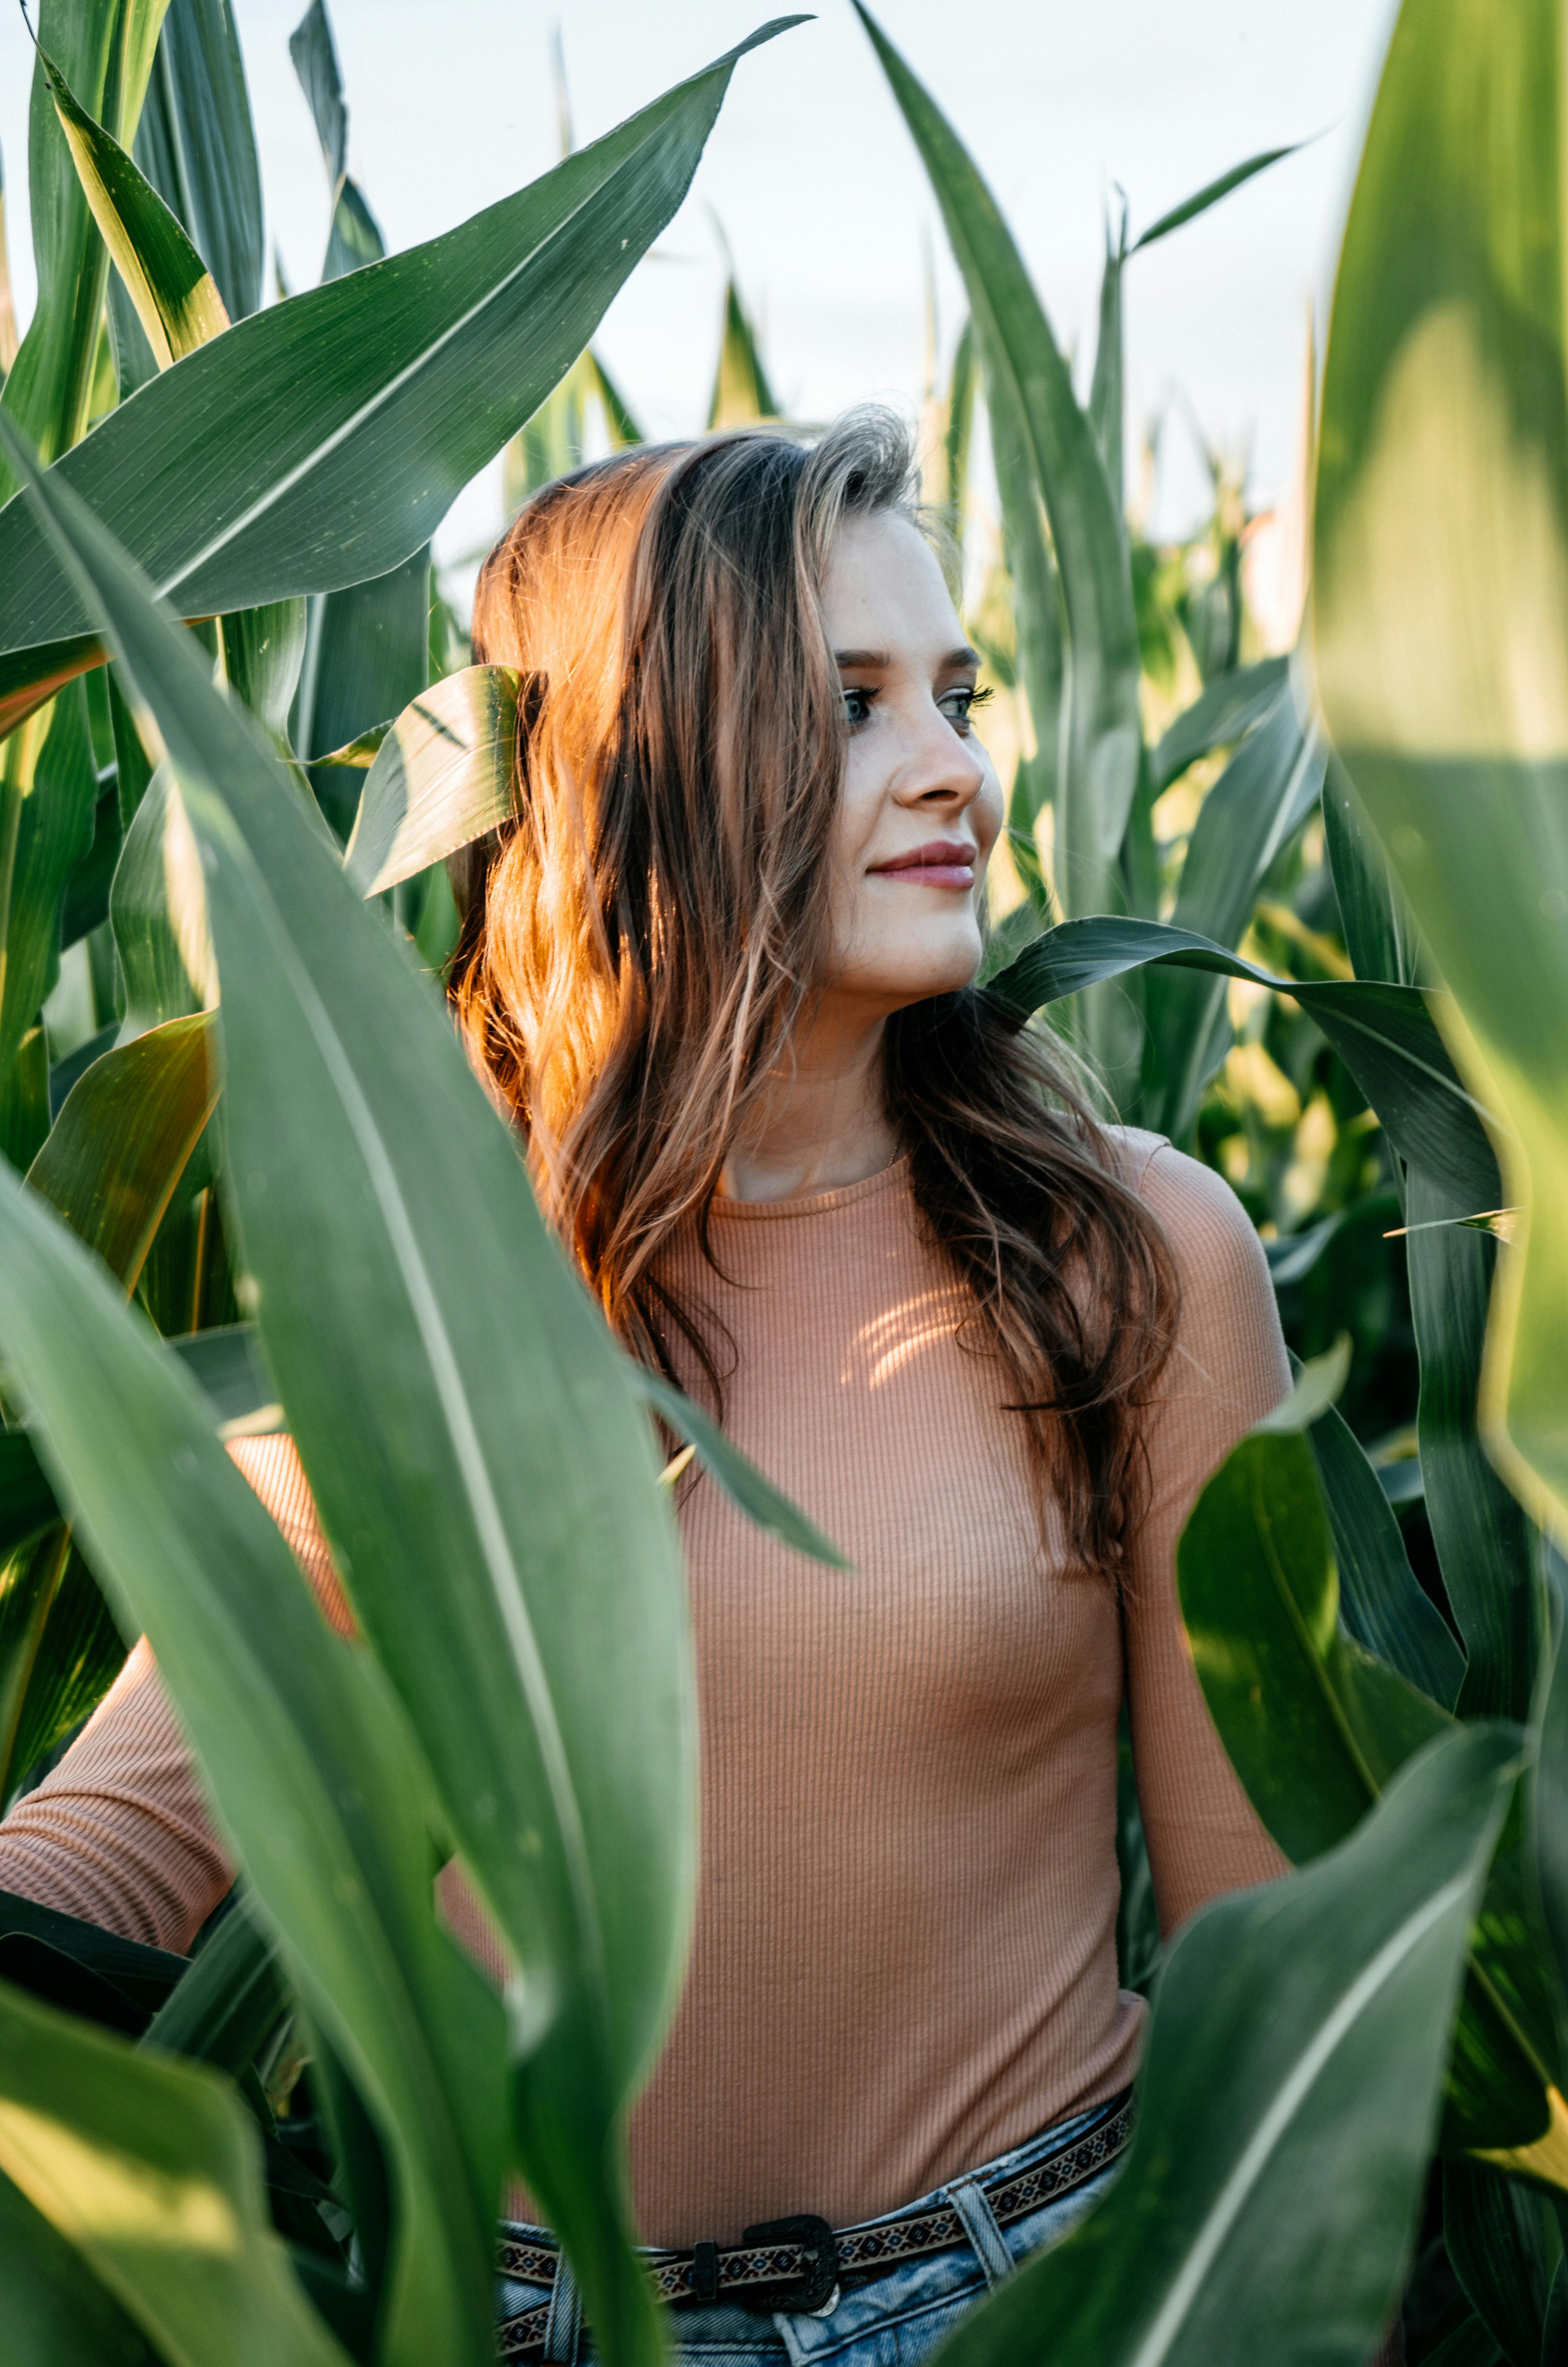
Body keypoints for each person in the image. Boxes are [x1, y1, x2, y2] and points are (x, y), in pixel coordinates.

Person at [0, 412, 1293, 2365]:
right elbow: (140, 1835)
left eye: (956, 695)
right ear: (638, 762)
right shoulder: (422, 1296)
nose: (958, 768)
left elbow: (1267, 1971)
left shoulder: (1127, 1253)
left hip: (1037, 2291)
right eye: (852, 708)